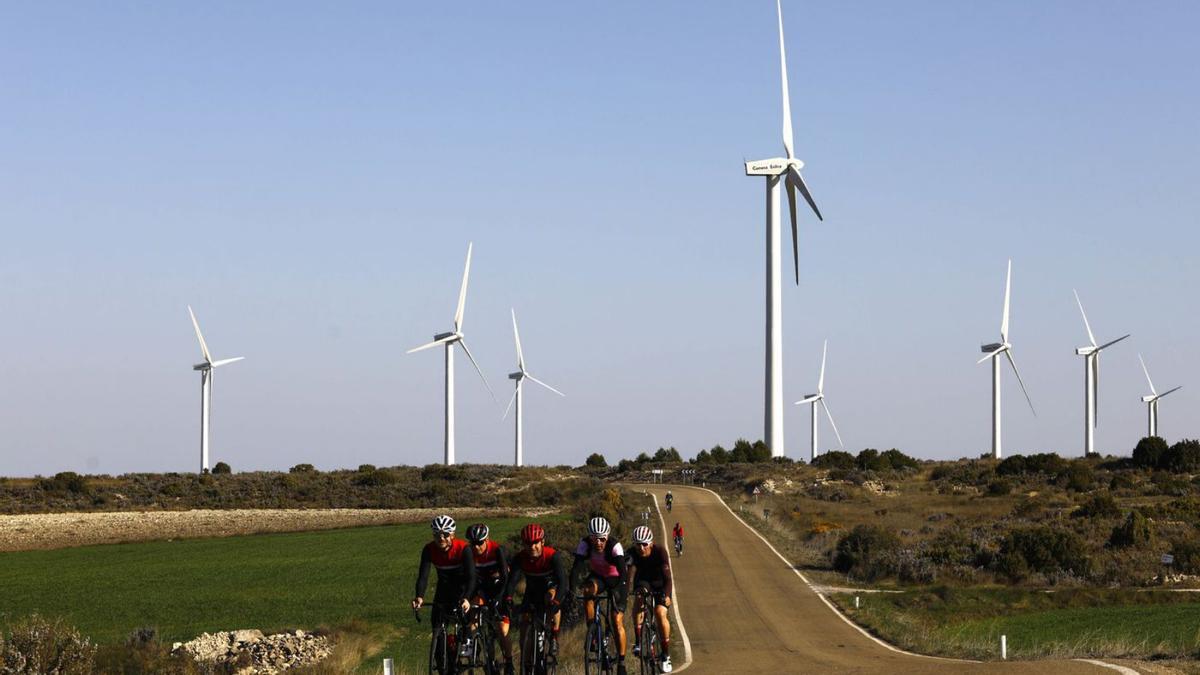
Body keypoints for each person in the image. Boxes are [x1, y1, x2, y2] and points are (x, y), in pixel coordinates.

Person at [571, 517, 630, 675]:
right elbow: (576, 569)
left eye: (602, 538)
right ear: (589, 538)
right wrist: (571, 591)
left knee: (616, 621)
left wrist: (619, 592)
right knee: (588, 591)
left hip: (616, 579)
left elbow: (624, 573)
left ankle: (622, 663)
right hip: (598, 577)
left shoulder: (614, 546)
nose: (598, 543)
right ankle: (592, 631)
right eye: (594, 539)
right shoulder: (584, 544)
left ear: (608, 536)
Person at [412, 515, 477, 652]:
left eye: (445, 535)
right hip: (444, 587)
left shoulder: (464, 548)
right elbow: (423, 576)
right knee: (436, 622)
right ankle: (442, 658)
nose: (441, 538)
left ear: (452, 535)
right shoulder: (429, 549)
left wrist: (467, 598)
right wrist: (419, 596)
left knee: (465, 619)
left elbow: (472, 577)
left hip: (463, 587)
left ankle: (468, 648)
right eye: (437, 535)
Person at [505, 523, 569, 663]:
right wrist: (509, 598)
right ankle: (527, 665)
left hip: (550, 587)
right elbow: (512, 580)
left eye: (535, 543)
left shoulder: (552, 556)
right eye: (528, 544)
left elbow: (563, 582)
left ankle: (553, 636)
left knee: (551, 598)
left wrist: (557, 602)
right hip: (532, 591)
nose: (532, 547)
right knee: (524, 634)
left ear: (542, 542)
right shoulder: (520, 557)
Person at [466, 523, 514, 675]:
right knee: (472, 611)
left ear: (486, 540)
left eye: (480, 543)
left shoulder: (497, 550)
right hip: (483, 589)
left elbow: (506, 577)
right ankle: (473, 643)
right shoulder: (469, 554)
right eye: (473, 543)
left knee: (501, 629)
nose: (476, 547)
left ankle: (509, 661)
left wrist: (500, 598)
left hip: (499, 588)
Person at [628, 525, 674, 673]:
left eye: (644, 544)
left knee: (660, 613)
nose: (641, 548)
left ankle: (666, 655)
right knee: (639, 597)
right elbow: (627, 575)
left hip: (661, 584)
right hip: (644, 583)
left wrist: (667, 596)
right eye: (637, 544)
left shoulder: (660, 552)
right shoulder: (631, 553)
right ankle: (638, 641)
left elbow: (668, 579)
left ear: (651, 543)